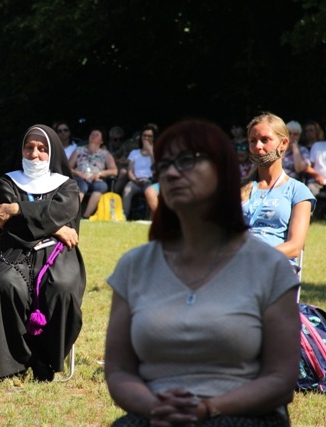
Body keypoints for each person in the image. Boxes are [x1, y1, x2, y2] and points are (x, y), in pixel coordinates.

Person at [105, 119, 300, 427]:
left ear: (222, 172)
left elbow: (281, 378)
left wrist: (207, 409)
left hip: (242, 416)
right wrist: (156, 408)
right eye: (164, 164)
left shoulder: (268, 268)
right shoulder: (134, 267)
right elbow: (118, 372)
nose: (170, 172)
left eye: (186, 161)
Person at [0, 124, 86, 381]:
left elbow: (63, 211)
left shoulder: (66, 185)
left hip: (57, 254)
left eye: (42, 149)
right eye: (29, 147)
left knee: (62, 287)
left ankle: (47, 360)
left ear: (52, 153)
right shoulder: (6, 181)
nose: (34, 154)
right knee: (5, 283)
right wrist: (55, 228)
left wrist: (18, 209)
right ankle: (12, 362)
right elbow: (7, 223)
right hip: (14, 249)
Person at [241, 113, 314, 274]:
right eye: (252, 141)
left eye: (265, 140)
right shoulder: (238, 188)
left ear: (283, 143)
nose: (258, 146)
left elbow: (295, 246)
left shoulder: (298, 191)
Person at [68, 126, 118, 218]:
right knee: (81, 186)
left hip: (96, 179)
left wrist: (99, 174)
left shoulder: (105, 153)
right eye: (92, 134)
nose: (93, 136)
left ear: (102, 141)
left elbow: (114, 171)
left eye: (97, 135)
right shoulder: (79, 150)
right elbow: (68, 167)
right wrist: (78, 174)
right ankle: (72, 216)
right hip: (80, 177)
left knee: (101, 186)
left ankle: (86, 216)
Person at [121, 124, 156, 220]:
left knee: (151, 192)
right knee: (127, 189)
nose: (146, 138)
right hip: (136, 180)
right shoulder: (134, 153)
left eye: (149, 136)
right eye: (144, 135)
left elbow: (156, 167)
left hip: (150, 181)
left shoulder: (157, 152)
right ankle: (124, 217)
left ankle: (149, 220)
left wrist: (150, 151)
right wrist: (135, 180)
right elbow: (130, 171)